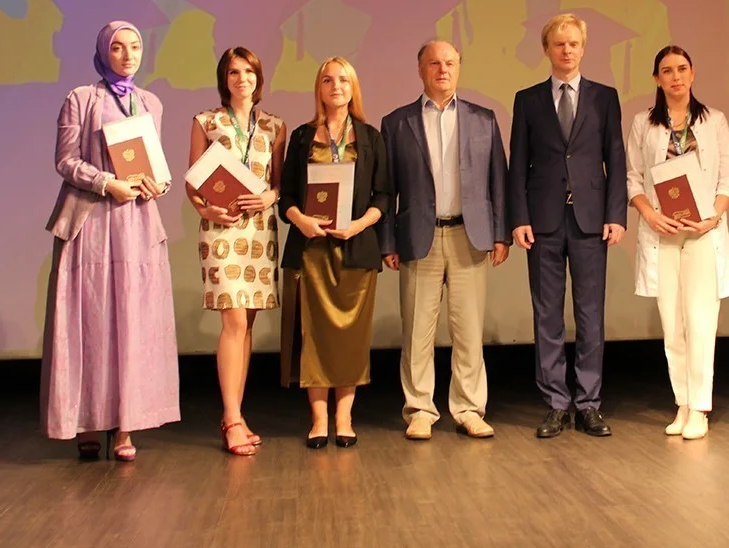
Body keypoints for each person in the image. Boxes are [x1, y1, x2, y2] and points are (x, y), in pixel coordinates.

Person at [40, 21, 179, 461]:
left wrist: (159, 183)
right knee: (92, 322)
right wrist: (106, 183)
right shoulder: (81, 98)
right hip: (92, 224)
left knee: (132, 323)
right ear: (103, 51)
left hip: (137, 224)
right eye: (118, 47)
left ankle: (125, 425)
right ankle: (86, 421)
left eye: (135, 46)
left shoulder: (151, 102)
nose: (127, 54)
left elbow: (154, 163)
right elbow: (65, 160)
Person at [379, 39, 509, 441]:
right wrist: (387, 241)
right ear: (420, 70)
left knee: (468, 330)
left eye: (450, 62)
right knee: (417, 330)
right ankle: (420, 409)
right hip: (418, 237)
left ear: (459, 67)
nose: (443, 70)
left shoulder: (483, 119)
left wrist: (500, 233)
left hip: (470, 235)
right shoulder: (397, 123)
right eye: (434, 63)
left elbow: (498, 181)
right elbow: (386, 189)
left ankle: (468, 408)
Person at [508, 13, 627, 438]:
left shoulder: (604, 97)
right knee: (547, 315)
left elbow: (616, 158)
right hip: (542, 222)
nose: (567, 50)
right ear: (547, 49)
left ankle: (589, 403)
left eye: (574, 43)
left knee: (590, 314)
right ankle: (557, 403)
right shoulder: (528, 100)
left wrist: (616, 215)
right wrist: (519, 218)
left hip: (591, 221)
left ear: (583, 47)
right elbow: (518, 163)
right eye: (559, 44)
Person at [625, 46, 729, 439]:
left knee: (701, 322)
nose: (675, 77)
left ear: (693, 74)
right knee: (672, 325)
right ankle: (683, 403)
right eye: (667, 71)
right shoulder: (643, 123)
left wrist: (714, 216)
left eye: (682, 69)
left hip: (703, 232)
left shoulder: (713, 120)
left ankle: (701, 407)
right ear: (657, 78)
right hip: (663, 232)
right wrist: (650, 215)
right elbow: (633, 177)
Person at [278, 57, 389, 449]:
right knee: (315, 337)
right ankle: (319, 418)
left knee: (350, 339)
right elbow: (286, 197)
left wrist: (357, 225)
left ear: (353, 87)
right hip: (312, 251)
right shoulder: (302, 137)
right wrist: (301, 221)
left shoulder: (371, 137)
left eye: (343, 79)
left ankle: (344, 417)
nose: (336, 86)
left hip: (356, 249)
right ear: (319, 89)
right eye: (328, 80)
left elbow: (383, 196)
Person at [187, 47, 285, 456]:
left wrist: (269, 198)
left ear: (258, 78)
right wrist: (206, 209)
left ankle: (238, 414)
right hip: (221, 231)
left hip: (260, 233)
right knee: (234, 321)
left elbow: (279, 183)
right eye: (233, 72)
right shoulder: (206, 121)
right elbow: (194, 180)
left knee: (247, 326)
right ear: (223, 79)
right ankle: (231, 418)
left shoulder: (275, 125)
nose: (241, 78)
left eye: (248, 71)